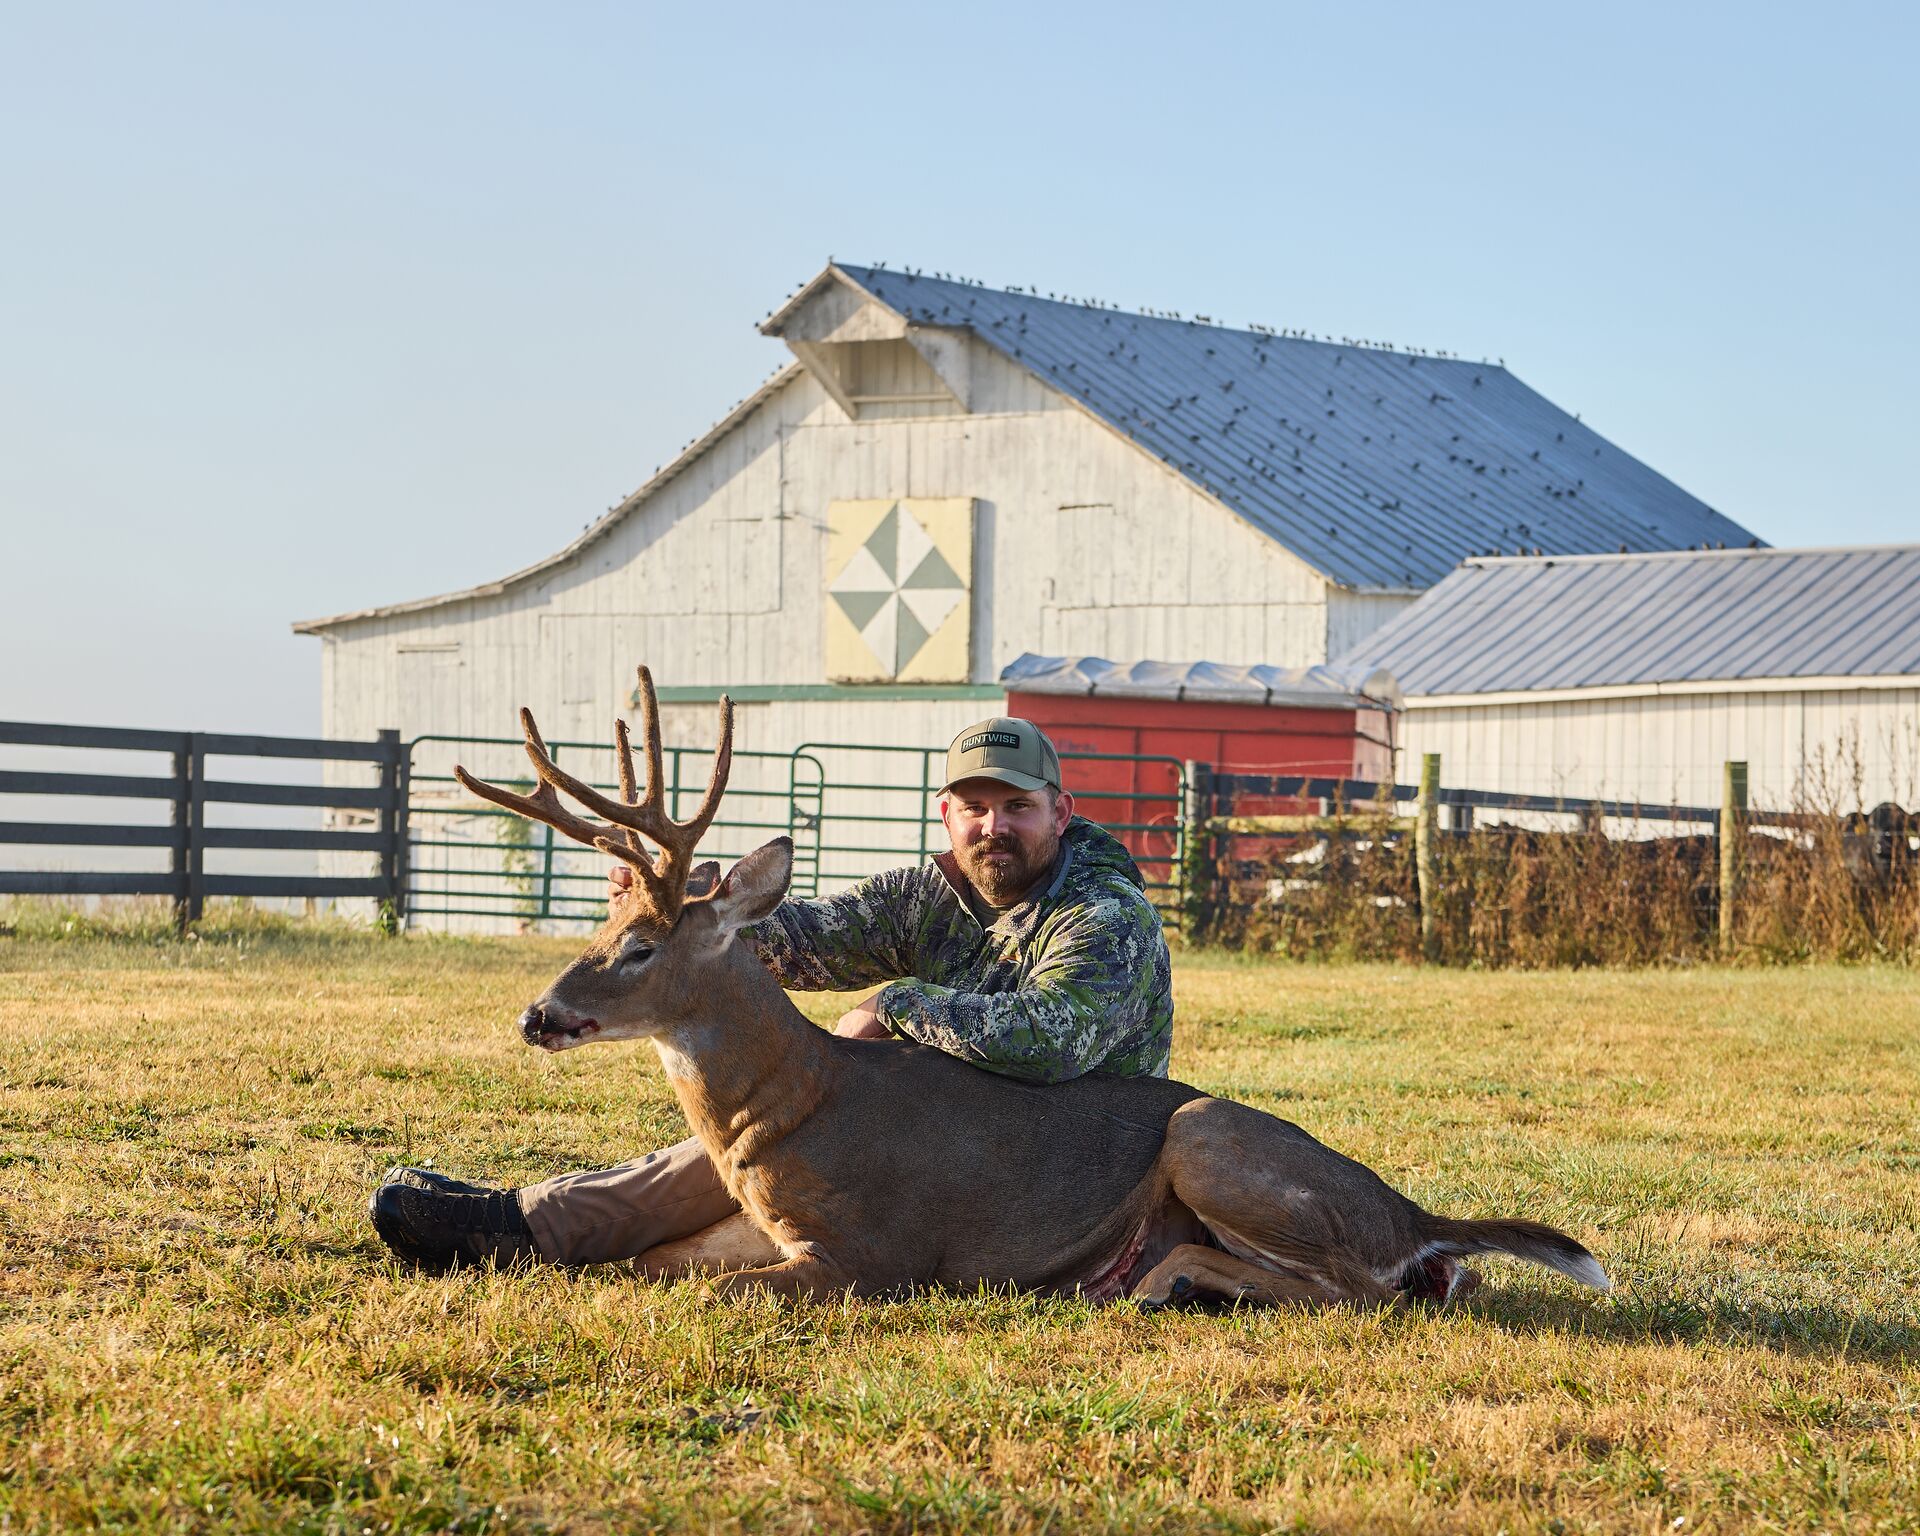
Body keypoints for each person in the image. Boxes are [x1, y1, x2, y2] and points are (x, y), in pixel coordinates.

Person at [369, 716, 1175, 1271]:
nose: (993, 827)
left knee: (786, 1126)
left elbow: (1052, 1039)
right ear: (946, 815)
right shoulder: (927, 896)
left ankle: (529, 1224)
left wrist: (898, 1004)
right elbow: (794, 940)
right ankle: (534, 1229)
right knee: (764, 1167)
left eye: (1018, 808)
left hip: (1061, 1161)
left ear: (1061, 814)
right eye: (975, 808)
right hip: (938, 1141)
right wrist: (676, 912)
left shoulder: (1104, 919)